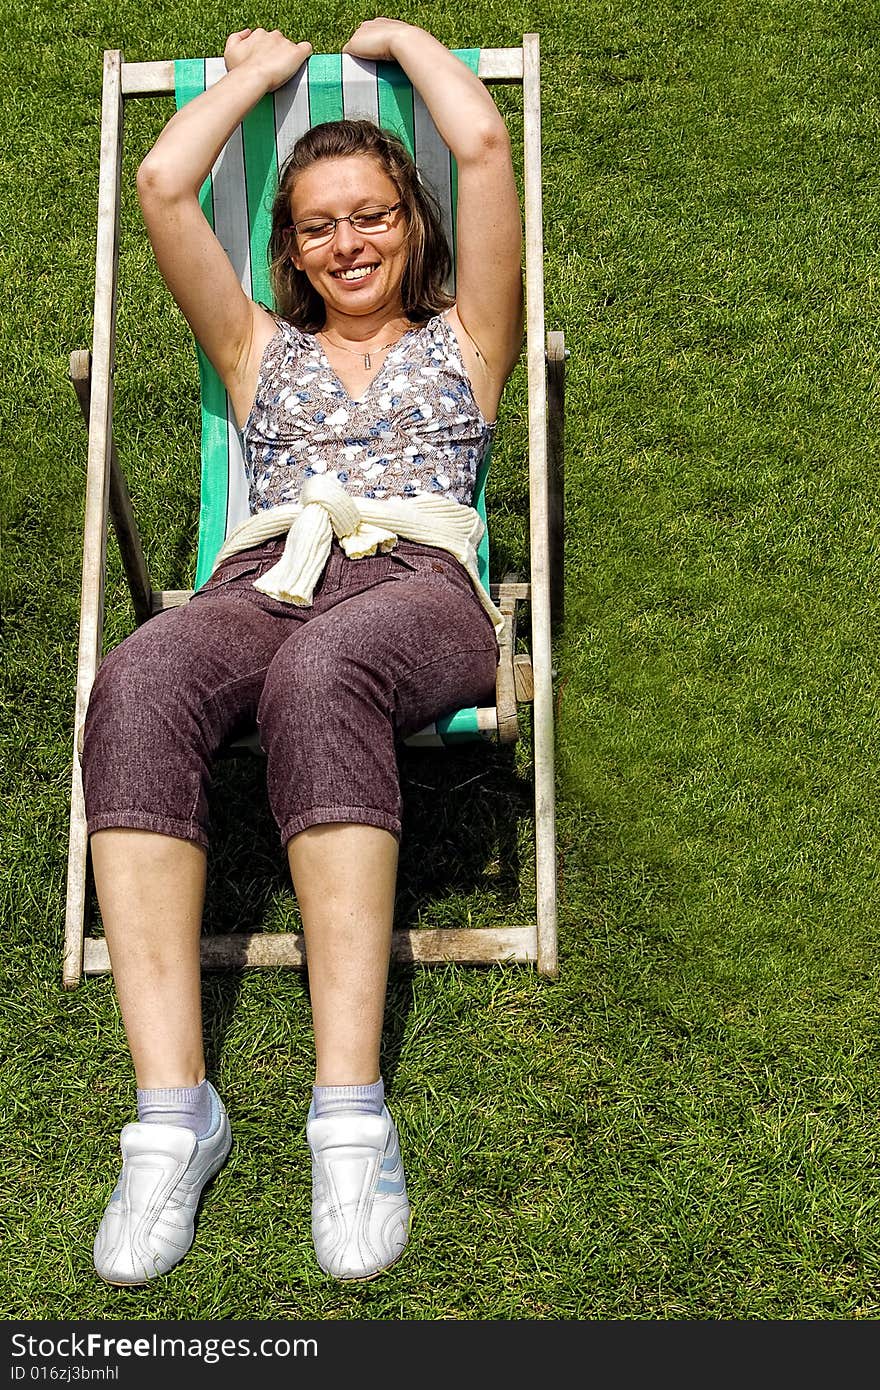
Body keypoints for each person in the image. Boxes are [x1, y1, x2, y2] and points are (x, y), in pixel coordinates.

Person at [82, 18, 523, 1285]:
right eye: (321, 223)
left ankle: (347, 1111)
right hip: (262, 573)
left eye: (374, 214)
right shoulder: (255, 349)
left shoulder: (468, 338)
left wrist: (401, 38)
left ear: (412, 220)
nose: (350, 242)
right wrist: (257, 80)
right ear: (289, 245)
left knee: (325, 673)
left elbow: (485, 146)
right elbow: (165, 185)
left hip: (416, 580)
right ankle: (175, 1117)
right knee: (143, 673)